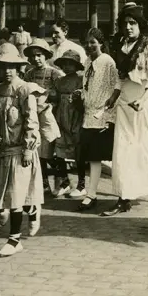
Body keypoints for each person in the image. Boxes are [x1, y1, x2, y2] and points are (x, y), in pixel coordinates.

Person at [101, 4, 148, 216]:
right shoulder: (120, 45)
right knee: (124, 151)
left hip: (146, 102)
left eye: (132, 23)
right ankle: (124, 197)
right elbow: (119, 77)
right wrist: (113, 96)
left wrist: (144, 98)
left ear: (140, 25)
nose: (128, 27)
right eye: (125, 23)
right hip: (126, 104)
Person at [0, 47, 44, 257]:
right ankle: (33, 210)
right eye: (4, 67)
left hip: (21, 151)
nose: (8, 71)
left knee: (16, 195)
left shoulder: (24, 90)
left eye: (12, 66)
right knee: (6, 192)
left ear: (19, 67)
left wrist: (29, 148)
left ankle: (14, 239)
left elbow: (31, 121)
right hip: (3, 150)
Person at [76, 28, 118, 211]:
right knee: (92, 157)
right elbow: (87, 85)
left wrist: (110, 106)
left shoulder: (107, 61)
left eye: (93, 42)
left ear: (101, 43)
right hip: (89, 114)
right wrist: (81, 95)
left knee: (110, 157)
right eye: (86, 42)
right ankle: (91, 194)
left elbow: (117, 84)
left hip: (104, 115)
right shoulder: (87, 61)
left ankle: (123, 194)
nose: (89, 45)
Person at [23, 38, 64, 196]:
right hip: (34, 116)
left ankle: (61, 182)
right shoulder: (29, 74)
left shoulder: (54, 73)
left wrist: (49, 96)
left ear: (46, 55)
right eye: (33, 56)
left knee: (53, 150)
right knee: (39, 151)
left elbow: (60, 93)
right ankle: (44, 182)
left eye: (39, 55)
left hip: (51, 115)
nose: (36, 59)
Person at [53, 50, 86, 198]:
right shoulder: (59, 81)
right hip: (61, 116)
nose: (67, 67)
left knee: (78, 151)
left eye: (70, 64)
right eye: (64, 64)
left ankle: (81, 184)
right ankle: (65, 182)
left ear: (76, 66)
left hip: (75, 115)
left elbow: (83, 100)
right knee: (59, 150)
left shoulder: (80, 80)